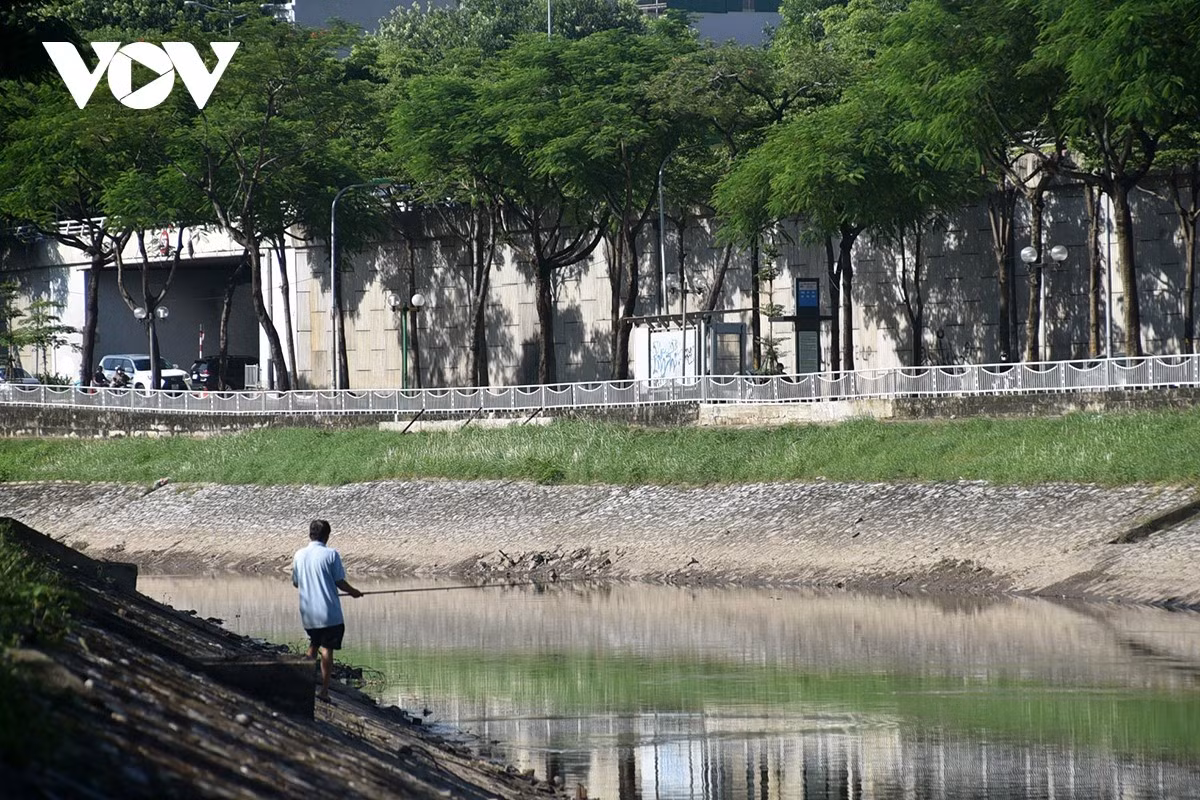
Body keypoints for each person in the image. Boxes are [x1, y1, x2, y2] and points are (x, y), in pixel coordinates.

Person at [291, 519, 362, 703]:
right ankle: (323, 691)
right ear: (327, 536)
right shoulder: (331, 554)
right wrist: (353, 592)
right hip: (329, 614)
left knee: (313, 645)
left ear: (310, 534)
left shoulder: (299, 555)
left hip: (308, 614)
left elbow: (296, 582)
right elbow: (339, 581)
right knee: (327, 650)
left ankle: (304, 684)